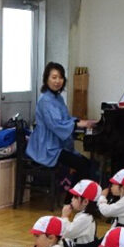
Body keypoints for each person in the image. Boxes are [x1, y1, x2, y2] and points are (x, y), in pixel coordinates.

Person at [25, 61, 96, 194]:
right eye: (54, 77)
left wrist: (80, 122)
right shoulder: (45, 100)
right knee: (82, 165)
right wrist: (78, 124)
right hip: (47, 147)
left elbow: (65, 119)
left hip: (56, 144)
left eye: (61, 77)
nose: (58, 81)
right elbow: (55, 124)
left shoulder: (58, 98)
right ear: (46, 79)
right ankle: (72, 199)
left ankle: (78, 198)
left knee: (88, 164)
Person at [61, 179, 104, 247]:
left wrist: (64, 216)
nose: (72, 199)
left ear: (85, 201)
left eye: (75, 197)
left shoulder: (85, 218)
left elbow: (67, 232)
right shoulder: (84, 215)